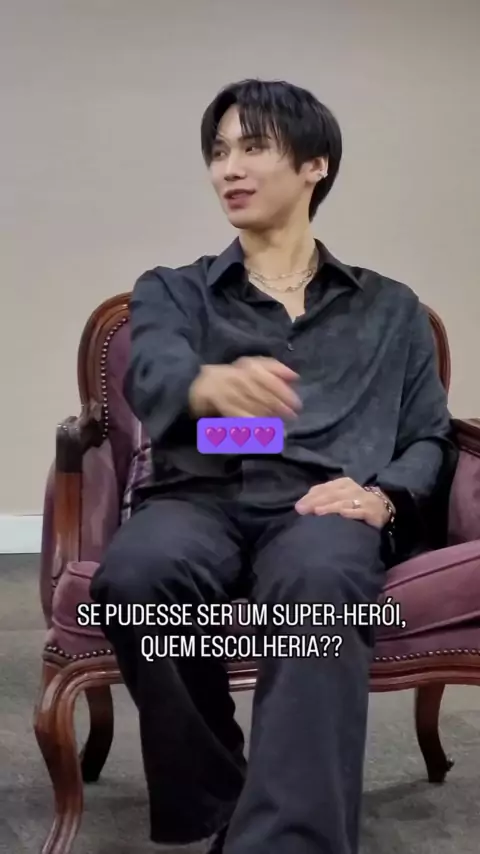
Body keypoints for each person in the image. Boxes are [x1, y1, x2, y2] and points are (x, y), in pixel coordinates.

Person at [90, 79, 456, 854]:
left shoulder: (390, 309)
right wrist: (204, 385)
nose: (229, 168)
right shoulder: (175, 290)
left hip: (323, 504)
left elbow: (428, 436)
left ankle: (287, 841)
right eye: (219, 152)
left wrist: (386, 498)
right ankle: (223, 800)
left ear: (315, 165)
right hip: (199, 495)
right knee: (140, 576)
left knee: (320, 587)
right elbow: (152, 370)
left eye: (253, 147)